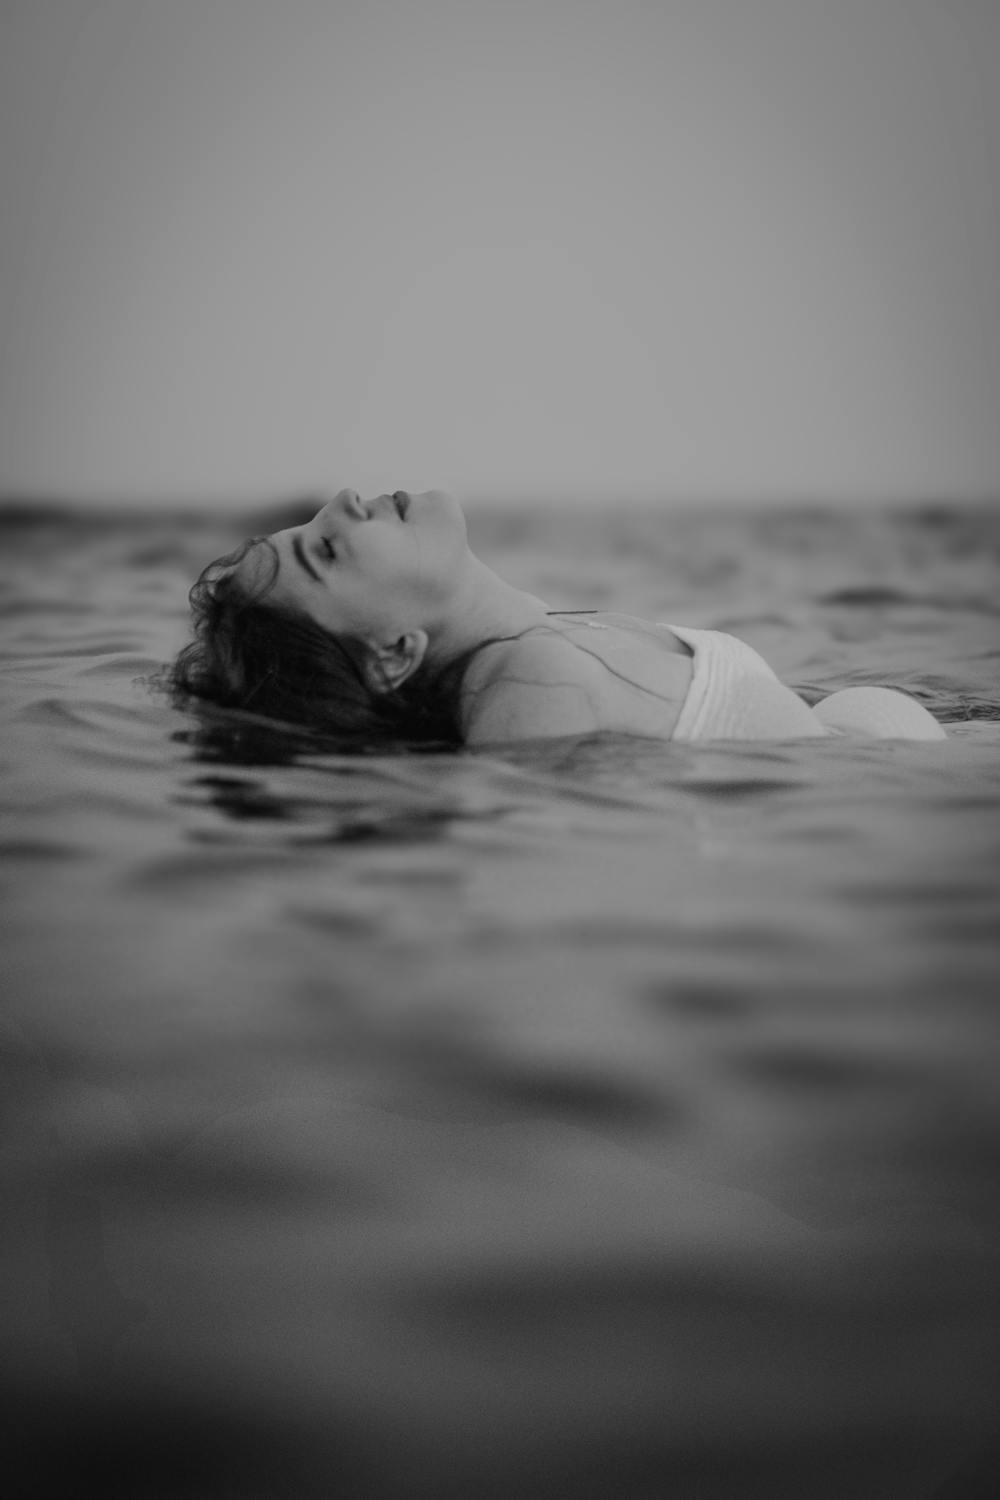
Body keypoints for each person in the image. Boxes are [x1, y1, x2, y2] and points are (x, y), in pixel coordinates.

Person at [170, 488, 947, 747]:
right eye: (329, 553)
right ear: (392, 655)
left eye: (315, 525)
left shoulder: (544, 633)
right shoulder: (524, 690)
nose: (342, 498)